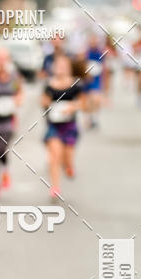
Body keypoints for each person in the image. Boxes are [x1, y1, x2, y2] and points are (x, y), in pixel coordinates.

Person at [41, 53, 86, 199]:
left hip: (69, 126)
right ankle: (55, 187)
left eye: (63, 66)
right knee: (54, 156)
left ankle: (69, 166)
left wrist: (73, 106)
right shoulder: (49, 85)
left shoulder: (75, 85)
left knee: (66, 158)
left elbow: (83, 103)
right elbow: (43, 101)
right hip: (53, 126)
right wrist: (48, 104)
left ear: (68, 68)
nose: (60, 68)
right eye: (58, 66)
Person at [0, 46, 23, 197]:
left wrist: (16, 100)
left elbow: (20, 93)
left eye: (4, 59)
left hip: (8, 120)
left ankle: (5, 171)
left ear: (8, 60)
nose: (1, 62)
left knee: (1, 148)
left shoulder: (14, 78)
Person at [84, 34, 103, 128]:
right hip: (87, 81)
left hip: (96, 80)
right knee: (88, 101)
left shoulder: (100, 53)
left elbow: (104, 68)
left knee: (95, 99)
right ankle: (89, 118)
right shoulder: (85, 53)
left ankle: (95, 118)